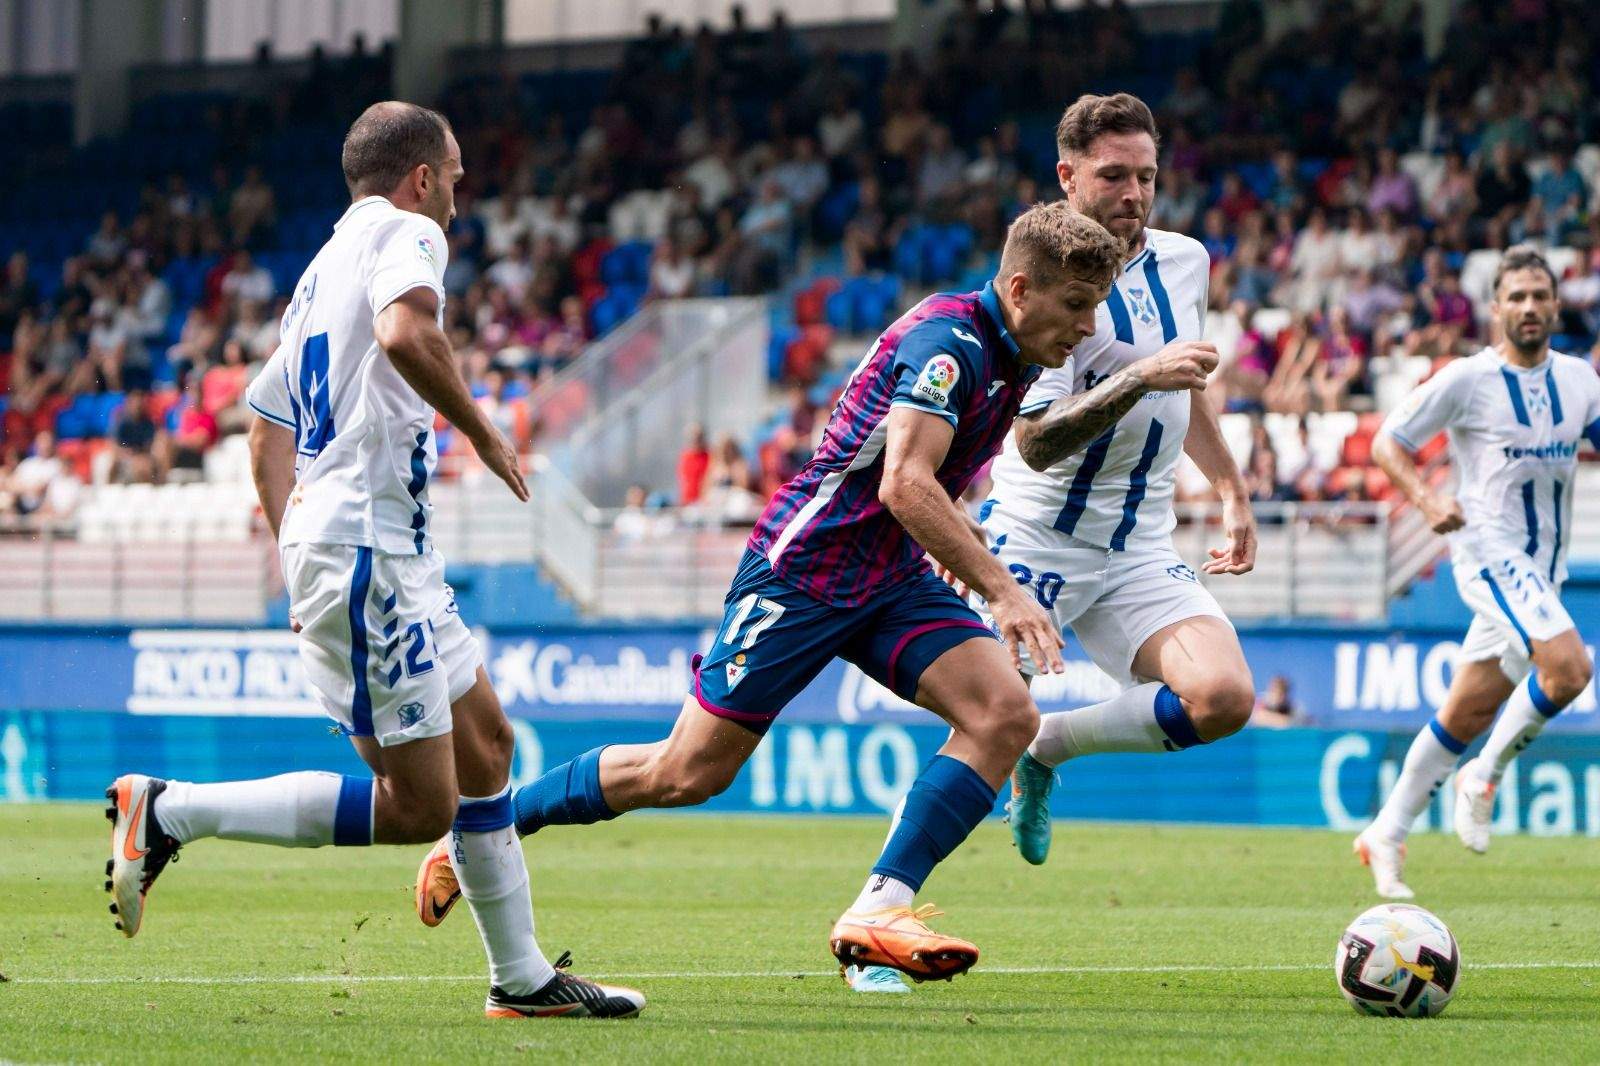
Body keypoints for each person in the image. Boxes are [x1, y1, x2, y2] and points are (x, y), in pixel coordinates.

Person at [418, 200, 1125, 983]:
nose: (1088, 326)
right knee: (686, 772)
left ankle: (878, 910)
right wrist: (1003, 589)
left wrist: (962, 540)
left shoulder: (1016, 351)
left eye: (1094, 306)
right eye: (1076, 305)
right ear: (1021, 288)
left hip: (889, 575)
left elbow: (918, 482)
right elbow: (903, 482)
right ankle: (484, 829)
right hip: (807, 570)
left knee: (1005, 714)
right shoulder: (949, 347)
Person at [102, 101, 644, 1020]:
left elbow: (264, 425)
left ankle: (521, 980)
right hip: (367, 549)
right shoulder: (404, 234)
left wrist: (289, 546)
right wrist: (483, 431)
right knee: (416, 807)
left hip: (380, 553)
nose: (461, 201)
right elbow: (406, 333)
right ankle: (169, 812)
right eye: (457, 178)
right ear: (422, 177)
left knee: (489, 746)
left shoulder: (318, 273)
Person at [977, 93, 1256, 875]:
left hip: (1135, 546)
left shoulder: (1187, 260)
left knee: (1224, 697)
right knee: (982, 727)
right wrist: (1138, 378)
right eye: (1112, 177)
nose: (1133, 194)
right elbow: (1034, 441)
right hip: (1037, 537)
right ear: (1067, 178)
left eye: (1146, 176)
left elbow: (1182, 387)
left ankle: (1050, 747)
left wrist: (1230, 489)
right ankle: (881, 909)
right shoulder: (1041, 284)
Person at [1354, 246, 1598, 898]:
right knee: (1571, 668)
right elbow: (1387, 443)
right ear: (1495, 308)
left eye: (1539, 295)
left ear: (1556, 304)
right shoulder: (1468, 379)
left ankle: (1385, 832)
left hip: (1544, 571)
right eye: (1515, 296)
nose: (1528, 307)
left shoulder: (1579, 380)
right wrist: (1429, 499)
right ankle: (1484, 776)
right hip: (1487, 555)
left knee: (1463, 711)